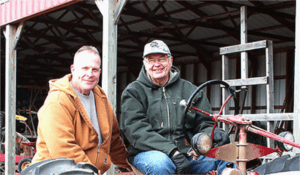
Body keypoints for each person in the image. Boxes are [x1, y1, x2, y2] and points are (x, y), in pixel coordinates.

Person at [120, 40, 234, 175]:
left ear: (170, 60)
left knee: (228, 154)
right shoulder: (134, 91)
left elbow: (205, 122)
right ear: (144, 63)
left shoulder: (190, 90)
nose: (157, 64)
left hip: (188, 154)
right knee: (161, 164)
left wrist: (212, 134)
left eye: (161, 59)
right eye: (151, 60)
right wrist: (173, 152)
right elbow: (137, 131)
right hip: (149, 153)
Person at [32, 46, 131, 174]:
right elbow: (63, 150)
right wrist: (92, 173)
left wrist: (131, 165)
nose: (89, 74)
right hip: (57, 172)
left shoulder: (101, 98)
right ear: (73, 69)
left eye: (94, 70)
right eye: (84, 68)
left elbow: (113, 140)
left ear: (99, 72)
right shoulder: (57, 101)